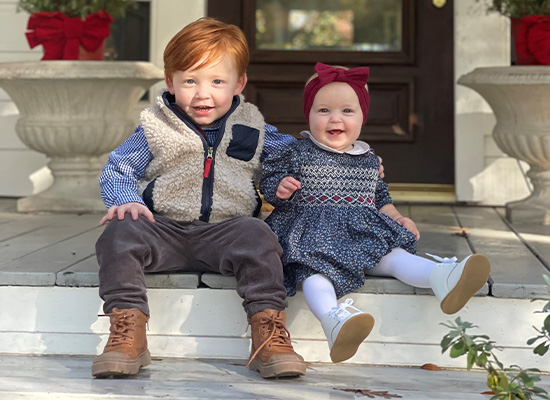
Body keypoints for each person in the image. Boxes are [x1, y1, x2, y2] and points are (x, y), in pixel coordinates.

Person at [91, 17, 307, 379]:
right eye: (189, 80)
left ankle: (268, 334)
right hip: (163, 230)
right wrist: (126, 199)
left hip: (227, 234)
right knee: (119, 232)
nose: (202, 93)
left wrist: (349, 157)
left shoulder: (253, 128)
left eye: (217, 82)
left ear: (239, 83)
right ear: (170, 81)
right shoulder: (155, 127)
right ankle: (127, 332)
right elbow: (118, 168)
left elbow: (297, 157)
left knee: (258, 235)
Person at [259, 62, 491, 364]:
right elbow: (269, 176)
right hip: (310, 237)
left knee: (395, 258)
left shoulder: (367, 158)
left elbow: (380, 196)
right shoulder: (296, 151)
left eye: (347, 111)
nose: (335, 119)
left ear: (362, 118)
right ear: (309, 114)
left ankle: (441, 277)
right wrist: (280, 186)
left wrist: (397, 218)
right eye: (324, 111)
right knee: (314, 276)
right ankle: (335, 320)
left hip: (360, 233)